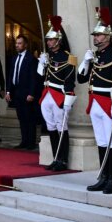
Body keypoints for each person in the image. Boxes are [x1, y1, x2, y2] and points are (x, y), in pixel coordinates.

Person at [78, 8, 112, 194]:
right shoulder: (95, 55)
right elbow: (82, 79)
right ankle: (103, 176)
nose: (96, 38)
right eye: (95, 35)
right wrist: (85, 62)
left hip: (109, 103)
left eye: (99, 35)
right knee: (101, 141)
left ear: (108, 36)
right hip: (95, 103)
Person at [38, 17, 77, 170]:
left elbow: (70, 81)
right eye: (48, 40)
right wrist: (41, 63)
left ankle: (63, 160)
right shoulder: (49, 56)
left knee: (62, 127)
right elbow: (42, 76)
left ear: (58, 40)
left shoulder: (68, 57)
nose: (48, 42)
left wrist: (68, 99)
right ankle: (55, 158)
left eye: (51, 39)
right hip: (46, 93)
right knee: (51, 127)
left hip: (59, 94)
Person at [5, 34, 42, 150]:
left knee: (29, 118)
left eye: (19, 43)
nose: (17, 45)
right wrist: (8, 91)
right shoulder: (14, 58)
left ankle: (31, 142)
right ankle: (24, 141)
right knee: (21, 117)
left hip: (27, 93)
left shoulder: (31, 59)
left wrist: (31, 93)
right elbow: (11, 75)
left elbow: (33, 78)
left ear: (25, 45)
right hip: (17, 93)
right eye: (16, 43)